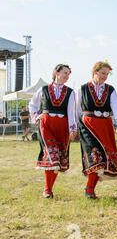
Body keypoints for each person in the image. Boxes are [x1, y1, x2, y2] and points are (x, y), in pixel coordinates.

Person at [75, 61, 117, 199]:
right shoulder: (83, 88)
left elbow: (115, 108)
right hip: (88, 126)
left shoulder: (110, 89)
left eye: (107, 74)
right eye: (103, 73)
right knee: (95, 156)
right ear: (95, 71)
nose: (105, 76)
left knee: (104, 158)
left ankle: (89, 188)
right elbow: (77, 110)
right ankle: (90, 190)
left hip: (105, 126)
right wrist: (74, 128)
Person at [29, 64, 77, 198]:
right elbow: (33, 104)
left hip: (62, 127)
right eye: (65, 73)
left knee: (58, 159)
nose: (67, 76)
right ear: (56, 72)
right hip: (46, 125)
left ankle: (48, 189)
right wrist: (35, 117)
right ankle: (47, 190)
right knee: (52, 156)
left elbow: (71, 113)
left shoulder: (70, 92)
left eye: (69, 74)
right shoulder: (43, 89)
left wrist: (73, 130)